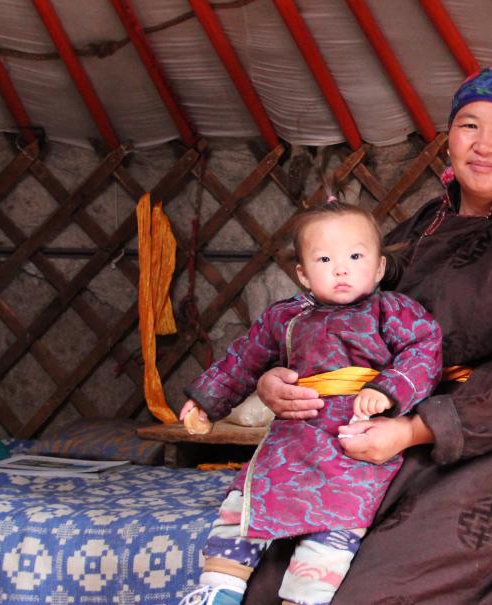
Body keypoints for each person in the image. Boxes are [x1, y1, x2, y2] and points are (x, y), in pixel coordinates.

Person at [244, 65, 492, 604]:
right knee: (270, 587)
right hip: (369, 440)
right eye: (469, 125)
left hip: (479, 457)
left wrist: (415, 430)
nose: (484, 144)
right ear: (449, 139)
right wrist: (277, 375)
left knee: (360, 595)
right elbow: (335, 304)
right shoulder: (423, 226)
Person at [178, 203, 443, 605]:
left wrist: (389, 391)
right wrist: (205, 401)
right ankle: (217, 589)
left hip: (354, 436)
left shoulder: (391, 311)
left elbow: (424, 349)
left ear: (377, 268)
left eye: (355, 256)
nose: (341, 269)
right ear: (302, 273)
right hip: (293, 437)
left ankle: (305, 599)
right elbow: (244, 358)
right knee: (244, 503)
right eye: (324, 259)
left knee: (337, 522)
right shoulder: (285, 316)